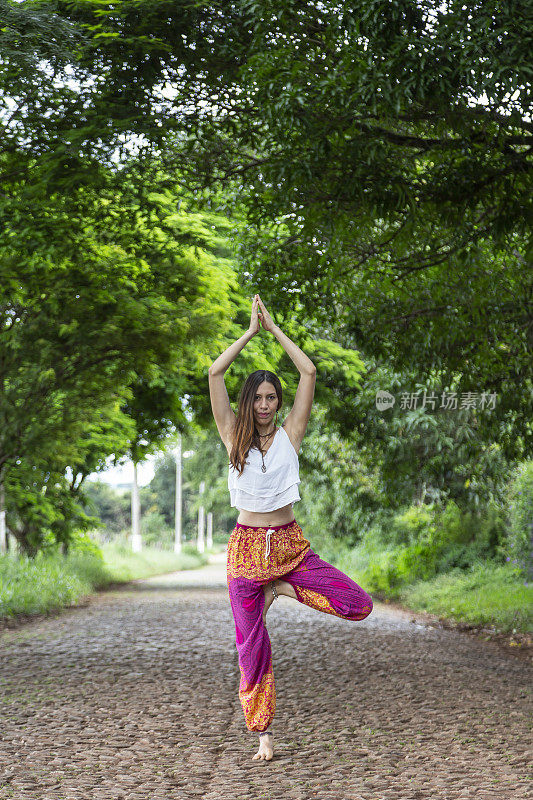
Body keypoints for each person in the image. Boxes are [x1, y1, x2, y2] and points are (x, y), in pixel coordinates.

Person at [208, 294, 373, 762]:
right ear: (248, 401)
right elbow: (214, 374)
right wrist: (249, 333)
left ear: (279, 402)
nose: (264, 404)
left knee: (357, 604)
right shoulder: (230, 433)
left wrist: (275, 330)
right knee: (251, 646)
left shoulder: (290, 434)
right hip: (244, 552)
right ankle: (263, 734)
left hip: (288, 549)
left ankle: (280, 589)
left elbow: (310, 372)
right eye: (258, 397)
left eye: (271, 397)